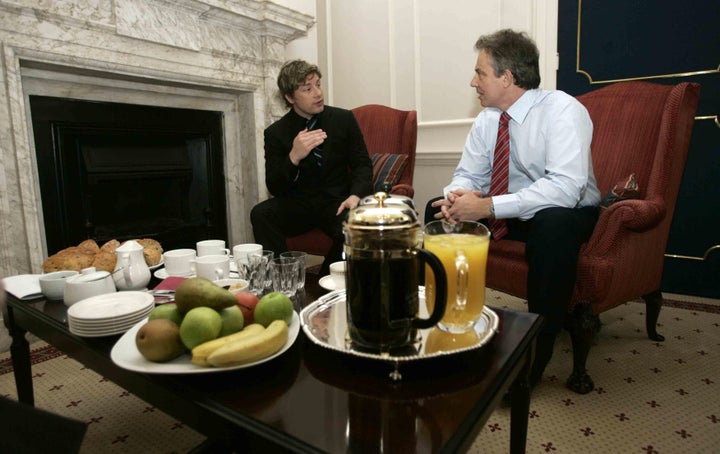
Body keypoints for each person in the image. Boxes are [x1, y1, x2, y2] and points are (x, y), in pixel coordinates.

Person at [429, 29, 601, 388]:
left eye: (480, 73)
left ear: (506, 78)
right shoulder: (487, 119)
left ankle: (536, 351)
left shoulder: (563, 110)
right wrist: (455, 198)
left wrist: (488, 206)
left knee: (551, 225)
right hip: (510, 210)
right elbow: (467, 174)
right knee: (436, 209)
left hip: (567, 212)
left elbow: (566, 189)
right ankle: (443, 327)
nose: (472, 81)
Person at [251, 60, 373, 275]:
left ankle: (327, 281)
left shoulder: (343, 119)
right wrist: (293, 157)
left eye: (318, 84)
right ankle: (284, 278)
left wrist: (355, 196)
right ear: (290, 98)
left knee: (356, 224)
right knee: (261, 214)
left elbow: (362, 165)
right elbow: (275, 186)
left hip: (337, 201)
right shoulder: (276, 133)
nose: (318, 93)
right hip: (300, 204)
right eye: (308, 89)